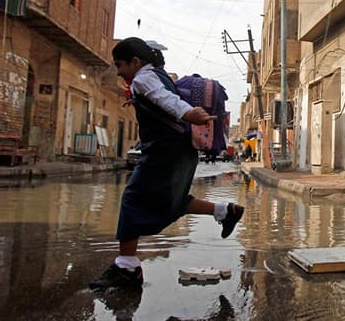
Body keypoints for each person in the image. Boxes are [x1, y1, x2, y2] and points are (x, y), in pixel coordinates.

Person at [89, 37, 244, 289]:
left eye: (120, 65)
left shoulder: (143, 78)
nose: (118, 71)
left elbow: (164, 99)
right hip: (180, 150)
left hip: (164, 151)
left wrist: (187, 113)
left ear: (135, 62)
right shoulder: (159, 75)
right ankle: (226, 211)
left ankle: (127, 268)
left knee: (132, 199)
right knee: (174, 199)